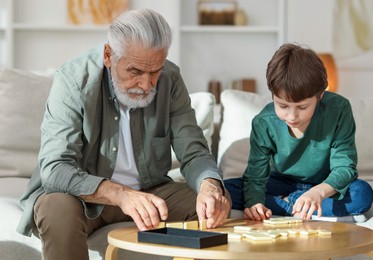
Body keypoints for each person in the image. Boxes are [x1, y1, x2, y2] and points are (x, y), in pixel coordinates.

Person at [17, 8, 230, 260]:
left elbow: (194, 152)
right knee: (55, 207)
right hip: (85, 198)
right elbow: (55, 168)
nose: (147, 84)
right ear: (109, 55)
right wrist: (120, 194)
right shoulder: (73, 81)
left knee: (212, 204)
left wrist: (210, 186)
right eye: (135, 71)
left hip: (150, 192)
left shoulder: (170, 80)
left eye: (155, 71)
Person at [224, 43, 373, 222]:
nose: (292, 115)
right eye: (282, 105)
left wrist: (318, 192)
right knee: (224, 190)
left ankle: (287, 204)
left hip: (325, 184)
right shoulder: (264, 122)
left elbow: (344, 167)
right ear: (272, 95)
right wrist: (254, 203)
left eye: (302, 107)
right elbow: (256, 175)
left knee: (361, 195)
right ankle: (300, 206)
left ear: (320, 96)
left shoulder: (339, 109)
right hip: (281, 182)